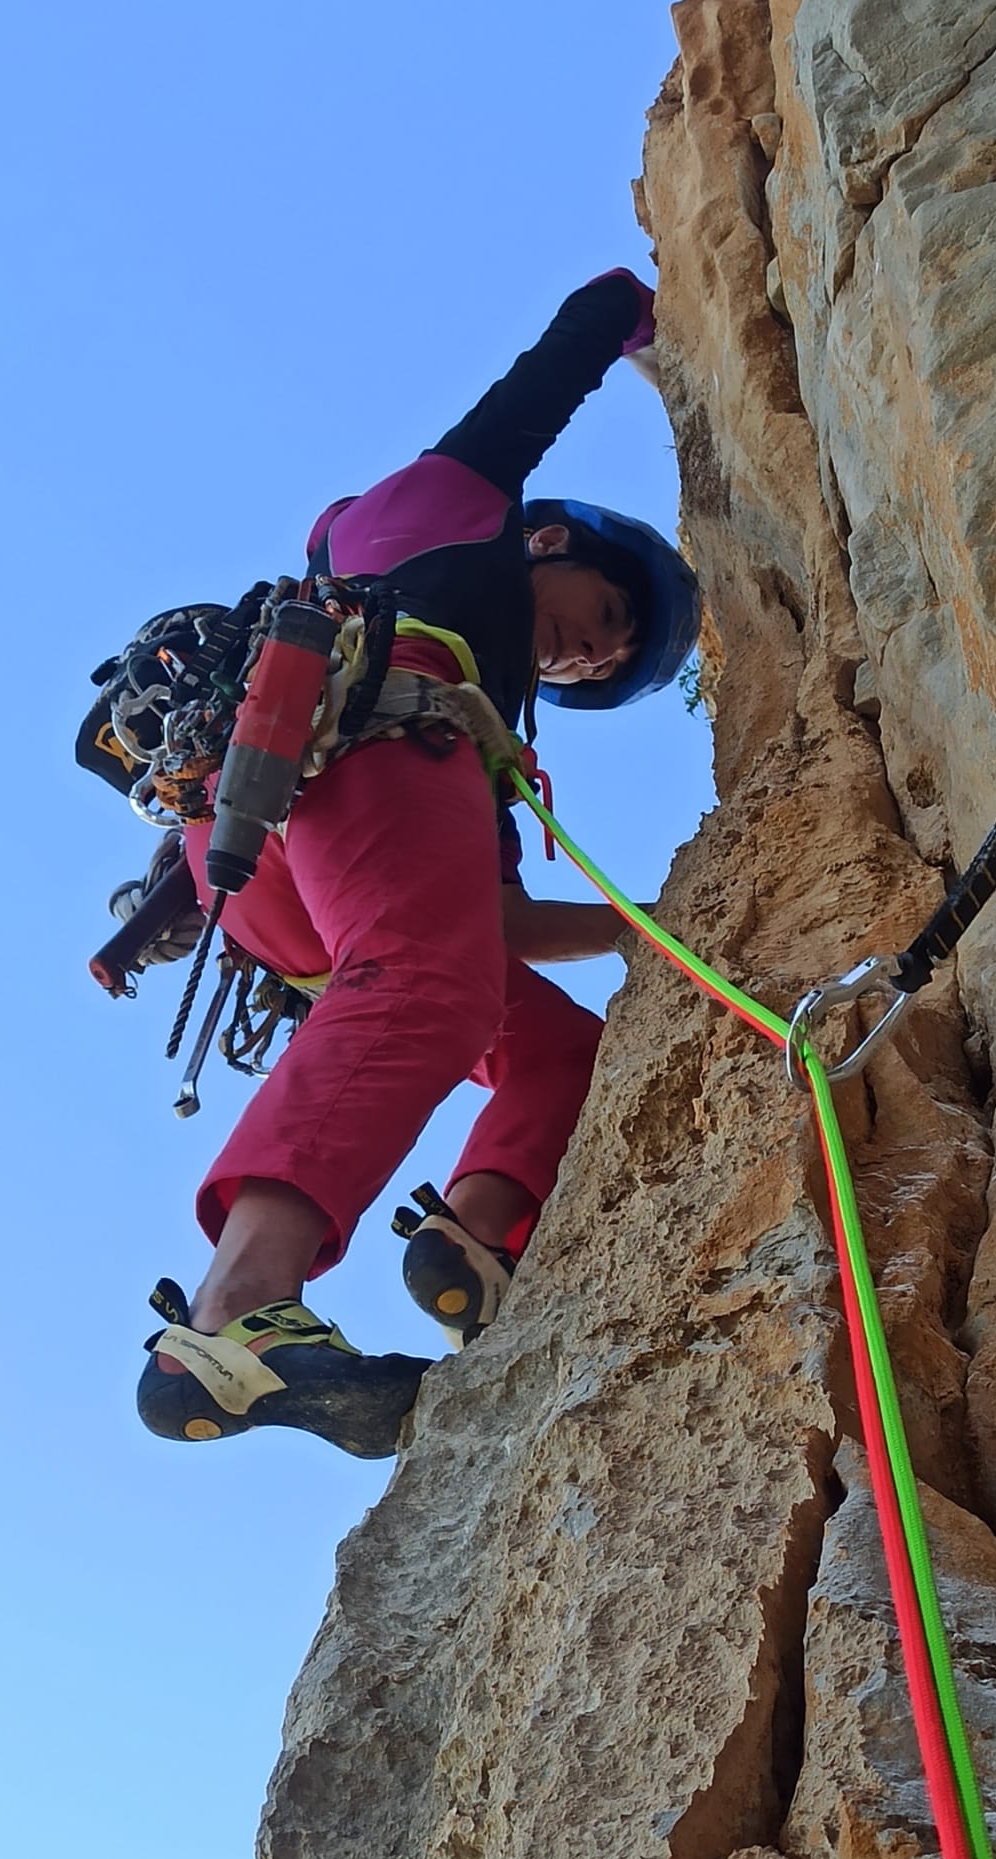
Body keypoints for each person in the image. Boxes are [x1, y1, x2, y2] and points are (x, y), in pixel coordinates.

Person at [86, 268, 699, 1459]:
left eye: (607, 667)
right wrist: (665, 328)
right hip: (344, 750)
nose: (598, 649)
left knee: (551, 1040)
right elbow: (555, 362)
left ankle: (469, 1237)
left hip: (282, 867)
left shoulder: (480, 729)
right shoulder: (439, 516)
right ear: (550, 537)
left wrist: (644, 930)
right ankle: (232, 1314)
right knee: (423, 981)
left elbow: (494, 923)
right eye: (610, 609)